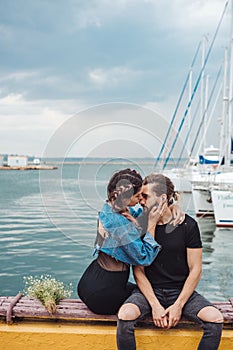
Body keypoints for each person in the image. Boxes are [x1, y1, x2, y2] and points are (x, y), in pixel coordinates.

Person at [117, 173, 223, 350]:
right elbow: (138, 271)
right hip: (149, 292)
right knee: (125, 314)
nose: (141, 201)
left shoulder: (188, 225)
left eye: (146, 196)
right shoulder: (140, 226)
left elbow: (195, 269)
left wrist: (178, 305)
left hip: (181, 293)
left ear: (163, 198)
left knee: (215, 318)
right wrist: (155, 305)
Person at [77, 169, 183, 315]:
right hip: (103, 294)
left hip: (90, 281)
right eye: (138, 196)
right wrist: (152, 223)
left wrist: (171, 206)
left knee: (146, 291)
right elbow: (144, 257)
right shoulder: (118, 223)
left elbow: (141, 216)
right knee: (152, 296)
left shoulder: (112, 208)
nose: (140, 200)